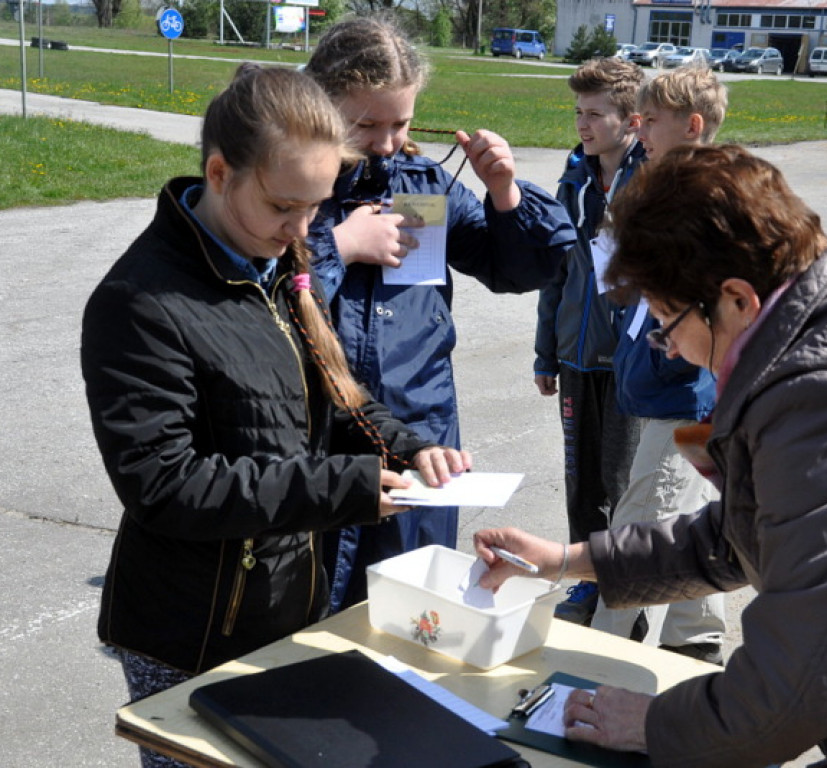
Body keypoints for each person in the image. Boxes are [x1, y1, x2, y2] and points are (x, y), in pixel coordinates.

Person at [473, 144, 827, 767]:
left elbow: (794, 693)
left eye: (667, 321)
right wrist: (567, 560)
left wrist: (656, 725)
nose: (671, 349)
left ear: (736, 299)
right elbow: (742, 536)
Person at [81, 65, 469, 768]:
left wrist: (409, 446)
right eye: (284, 205)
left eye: (317, 208)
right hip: (191, 634)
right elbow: (165, 485)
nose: (302, 229)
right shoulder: (140, 302)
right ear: (221, 171)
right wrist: (343, 488)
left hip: (282, 608)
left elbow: (335, 388)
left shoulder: (274, 262)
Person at [304, 17, 575, 612]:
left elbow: (516, 271)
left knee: (410, 609)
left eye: (399, 123)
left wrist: (505, 192)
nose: (384, 142)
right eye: (365, 124)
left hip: (421, 431)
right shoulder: (292, 190)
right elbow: (257, 302)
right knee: (317, 612)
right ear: (320, 107)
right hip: (320, 434)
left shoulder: (423, 184)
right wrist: (342, 245)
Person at [590, 67, 728, 664]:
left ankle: (593, 654)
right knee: (692, 511)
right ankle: (696, 641)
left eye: (651, 121)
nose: (638, 130)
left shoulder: (712, 196)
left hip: (684, 398)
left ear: (692, 126)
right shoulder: (663, 187)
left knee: (641, 527)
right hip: (661, 389)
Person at [533, 57, 646, 625]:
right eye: (578, 112)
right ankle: (587, 582)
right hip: (575, 355)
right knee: (581, 484)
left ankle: (628, 593)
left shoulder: (650, 177)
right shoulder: (573, 176)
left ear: (632, 120)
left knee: (621, 482)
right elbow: (559, 270)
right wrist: (545, 350)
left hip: (627, 361)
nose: (583, 123)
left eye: (596, 113)